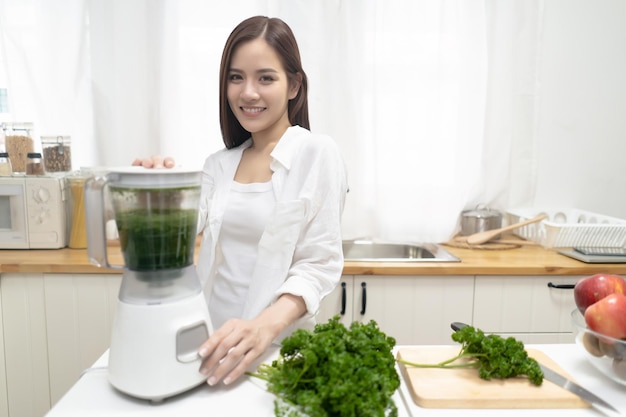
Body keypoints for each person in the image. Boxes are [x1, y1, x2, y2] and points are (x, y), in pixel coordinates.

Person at [133, 16, 347, 387]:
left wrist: (262, 328)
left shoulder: (317, 153)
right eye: (236, 78)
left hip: (280, 351)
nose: (248, 92)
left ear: (294, 85)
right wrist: (155, 187)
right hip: (212, 346)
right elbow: (173, 235)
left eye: (265, 78)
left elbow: (319, 265)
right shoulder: (218, 165)